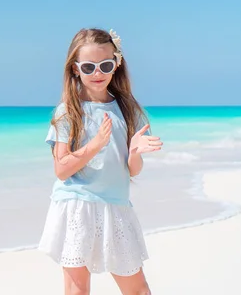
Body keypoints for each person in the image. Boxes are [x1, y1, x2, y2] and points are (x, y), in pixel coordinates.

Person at [38, 28, 163, 295]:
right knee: (77, 289)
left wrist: (134, 154)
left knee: (138, 288)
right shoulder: (69, 112)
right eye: (89, 66)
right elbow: (61, 169)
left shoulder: (129, 110)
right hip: (76, 205)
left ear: (116, 64)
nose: (98, 73)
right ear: (75, 69)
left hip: (116, 206)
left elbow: (133, 170)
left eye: (105, 65)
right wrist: (95, 145)